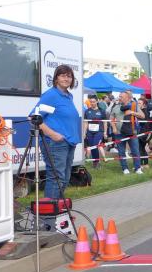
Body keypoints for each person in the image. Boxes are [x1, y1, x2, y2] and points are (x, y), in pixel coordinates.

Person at [34, 64, 81, 199]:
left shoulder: (68, 96)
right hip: (55, 143)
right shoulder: (52, 95)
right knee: (56, 178)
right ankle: (50, 210)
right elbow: (34, 117)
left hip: (69, 142)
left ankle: (57, 206)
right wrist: (52, 134)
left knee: (64, 178)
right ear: (56, 78)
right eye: (63, 75)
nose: (66, 78)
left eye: (69, 76)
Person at [110, 90, 145, 175]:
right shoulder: (116, 107)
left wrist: (132, 112)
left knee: (135, 151)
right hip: (119, 133)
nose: (119, 98)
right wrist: (114, 128)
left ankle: (138, 168)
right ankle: (125, 168)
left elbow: (143, 116)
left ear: (127, 98)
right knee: (121, 152)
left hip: (132, 132)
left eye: (121, 97)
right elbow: (111, 119)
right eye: (119, 96)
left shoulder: (134, 106)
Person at [83, 96, 107, 168]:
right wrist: (84, 132)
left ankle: (97, 161)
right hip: (90, 132)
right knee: (92, 147)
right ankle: (95, 162)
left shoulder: (101, 111)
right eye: (91, 102)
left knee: (95, 145)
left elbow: (105, 122)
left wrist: (105, 132)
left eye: (93, 102)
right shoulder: (87, 111)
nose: (92, 103)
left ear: (97, 101)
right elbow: (86, 123)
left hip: (99, 131)